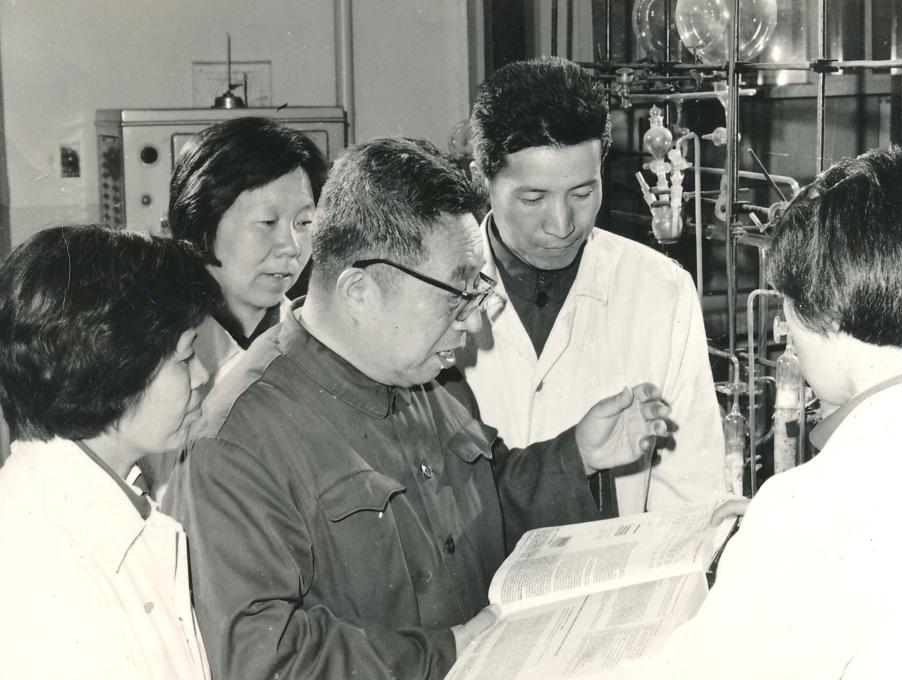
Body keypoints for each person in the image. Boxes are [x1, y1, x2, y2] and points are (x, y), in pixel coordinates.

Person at [164, 136, 670, 680]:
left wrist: (577, 455)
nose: (474, 321)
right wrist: (446, 652)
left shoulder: (429, 377)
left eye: (476, 290)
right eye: (455, 296)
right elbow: (260, 660)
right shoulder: (236, 444)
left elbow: (487, 496)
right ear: (359, 291)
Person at [647, 147, 902, 678]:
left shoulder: (807, 510)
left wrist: (767, 548)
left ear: (825, 312)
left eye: (788, 305)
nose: (788, 331)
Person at [459, 56, 726, 515]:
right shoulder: (433, 293)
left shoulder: (661, 291)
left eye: (583, 193)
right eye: (533, 198)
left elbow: (690, 498)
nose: (562, 224)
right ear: (481, 180)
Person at [0, 225, 217, 679]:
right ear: (112, 372)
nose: (202, 376)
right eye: (184, 358)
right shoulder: (35, 561)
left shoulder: (111, 499)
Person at [168, 116, 328, 386]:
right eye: (268, 222)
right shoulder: (156, 355)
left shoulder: (325, 348)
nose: (292, 247)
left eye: (304, 223)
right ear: (201, 224)